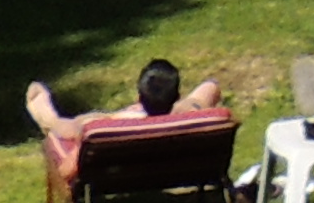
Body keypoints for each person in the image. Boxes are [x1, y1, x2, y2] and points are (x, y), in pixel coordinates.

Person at [28, 55, 225, 191]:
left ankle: (47, 113)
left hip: (116, 162)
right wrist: (185, 107)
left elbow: (67, 172)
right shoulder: (204, 122)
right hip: (179, 165)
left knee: (68, 124)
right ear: (177, 96)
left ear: (139, 96)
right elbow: (212, 87)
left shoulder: (99, 132)